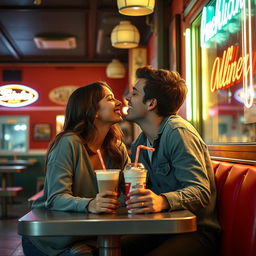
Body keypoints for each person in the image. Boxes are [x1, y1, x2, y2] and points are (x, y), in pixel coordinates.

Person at [22, 82, 130, 256]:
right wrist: (91, 204)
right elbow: (56, 198)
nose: (119, 102)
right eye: (110, 99)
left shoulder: (116, 148)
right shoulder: (68, 142)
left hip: (91, 235)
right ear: (93, 110)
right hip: (52, 239)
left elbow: (128, 193)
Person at [122, 66, 220, 256]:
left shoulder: (177, 132)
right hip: (163, 227)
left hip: (195, 231)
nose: (127, 98)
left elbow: (200, 192)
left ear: (151, 103)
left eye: (134, 93)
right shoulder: (140, 144)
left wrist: (162, 200)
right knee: (107, 248)